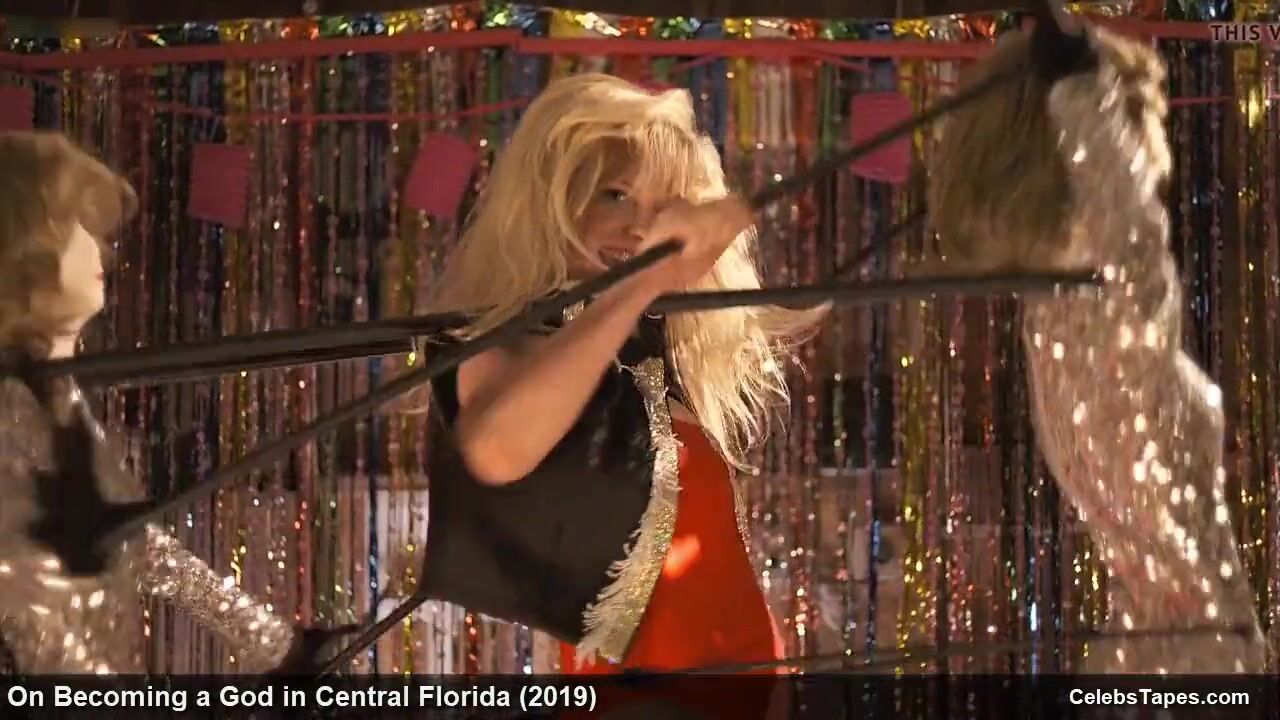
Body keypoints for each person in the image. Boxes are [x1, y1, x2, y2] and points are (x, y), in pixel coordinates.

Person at [416, 73, 820, 698]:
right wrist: (641, 285)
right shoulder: (509, 341)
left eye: (664, 210)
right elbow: (495, 448)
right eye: (615, 195)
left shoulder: (651, 359)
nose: (639, 230)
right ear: (551, 195)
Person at [928, 25, 1266, 673]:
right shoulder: (1098, 311)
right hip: (1194, 665)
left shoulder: (1056, 311)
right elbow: (1133, 232)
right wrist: (1084, 92)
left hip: (1153, 656)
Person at [0, 131, 326, 674]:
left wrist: (276, 644)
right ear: (28, 244)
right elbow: (22, 599)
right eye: (75, 226)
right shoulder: (14, 402)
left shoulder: (53, 392)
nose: (99, 248)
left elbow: (132, 539)